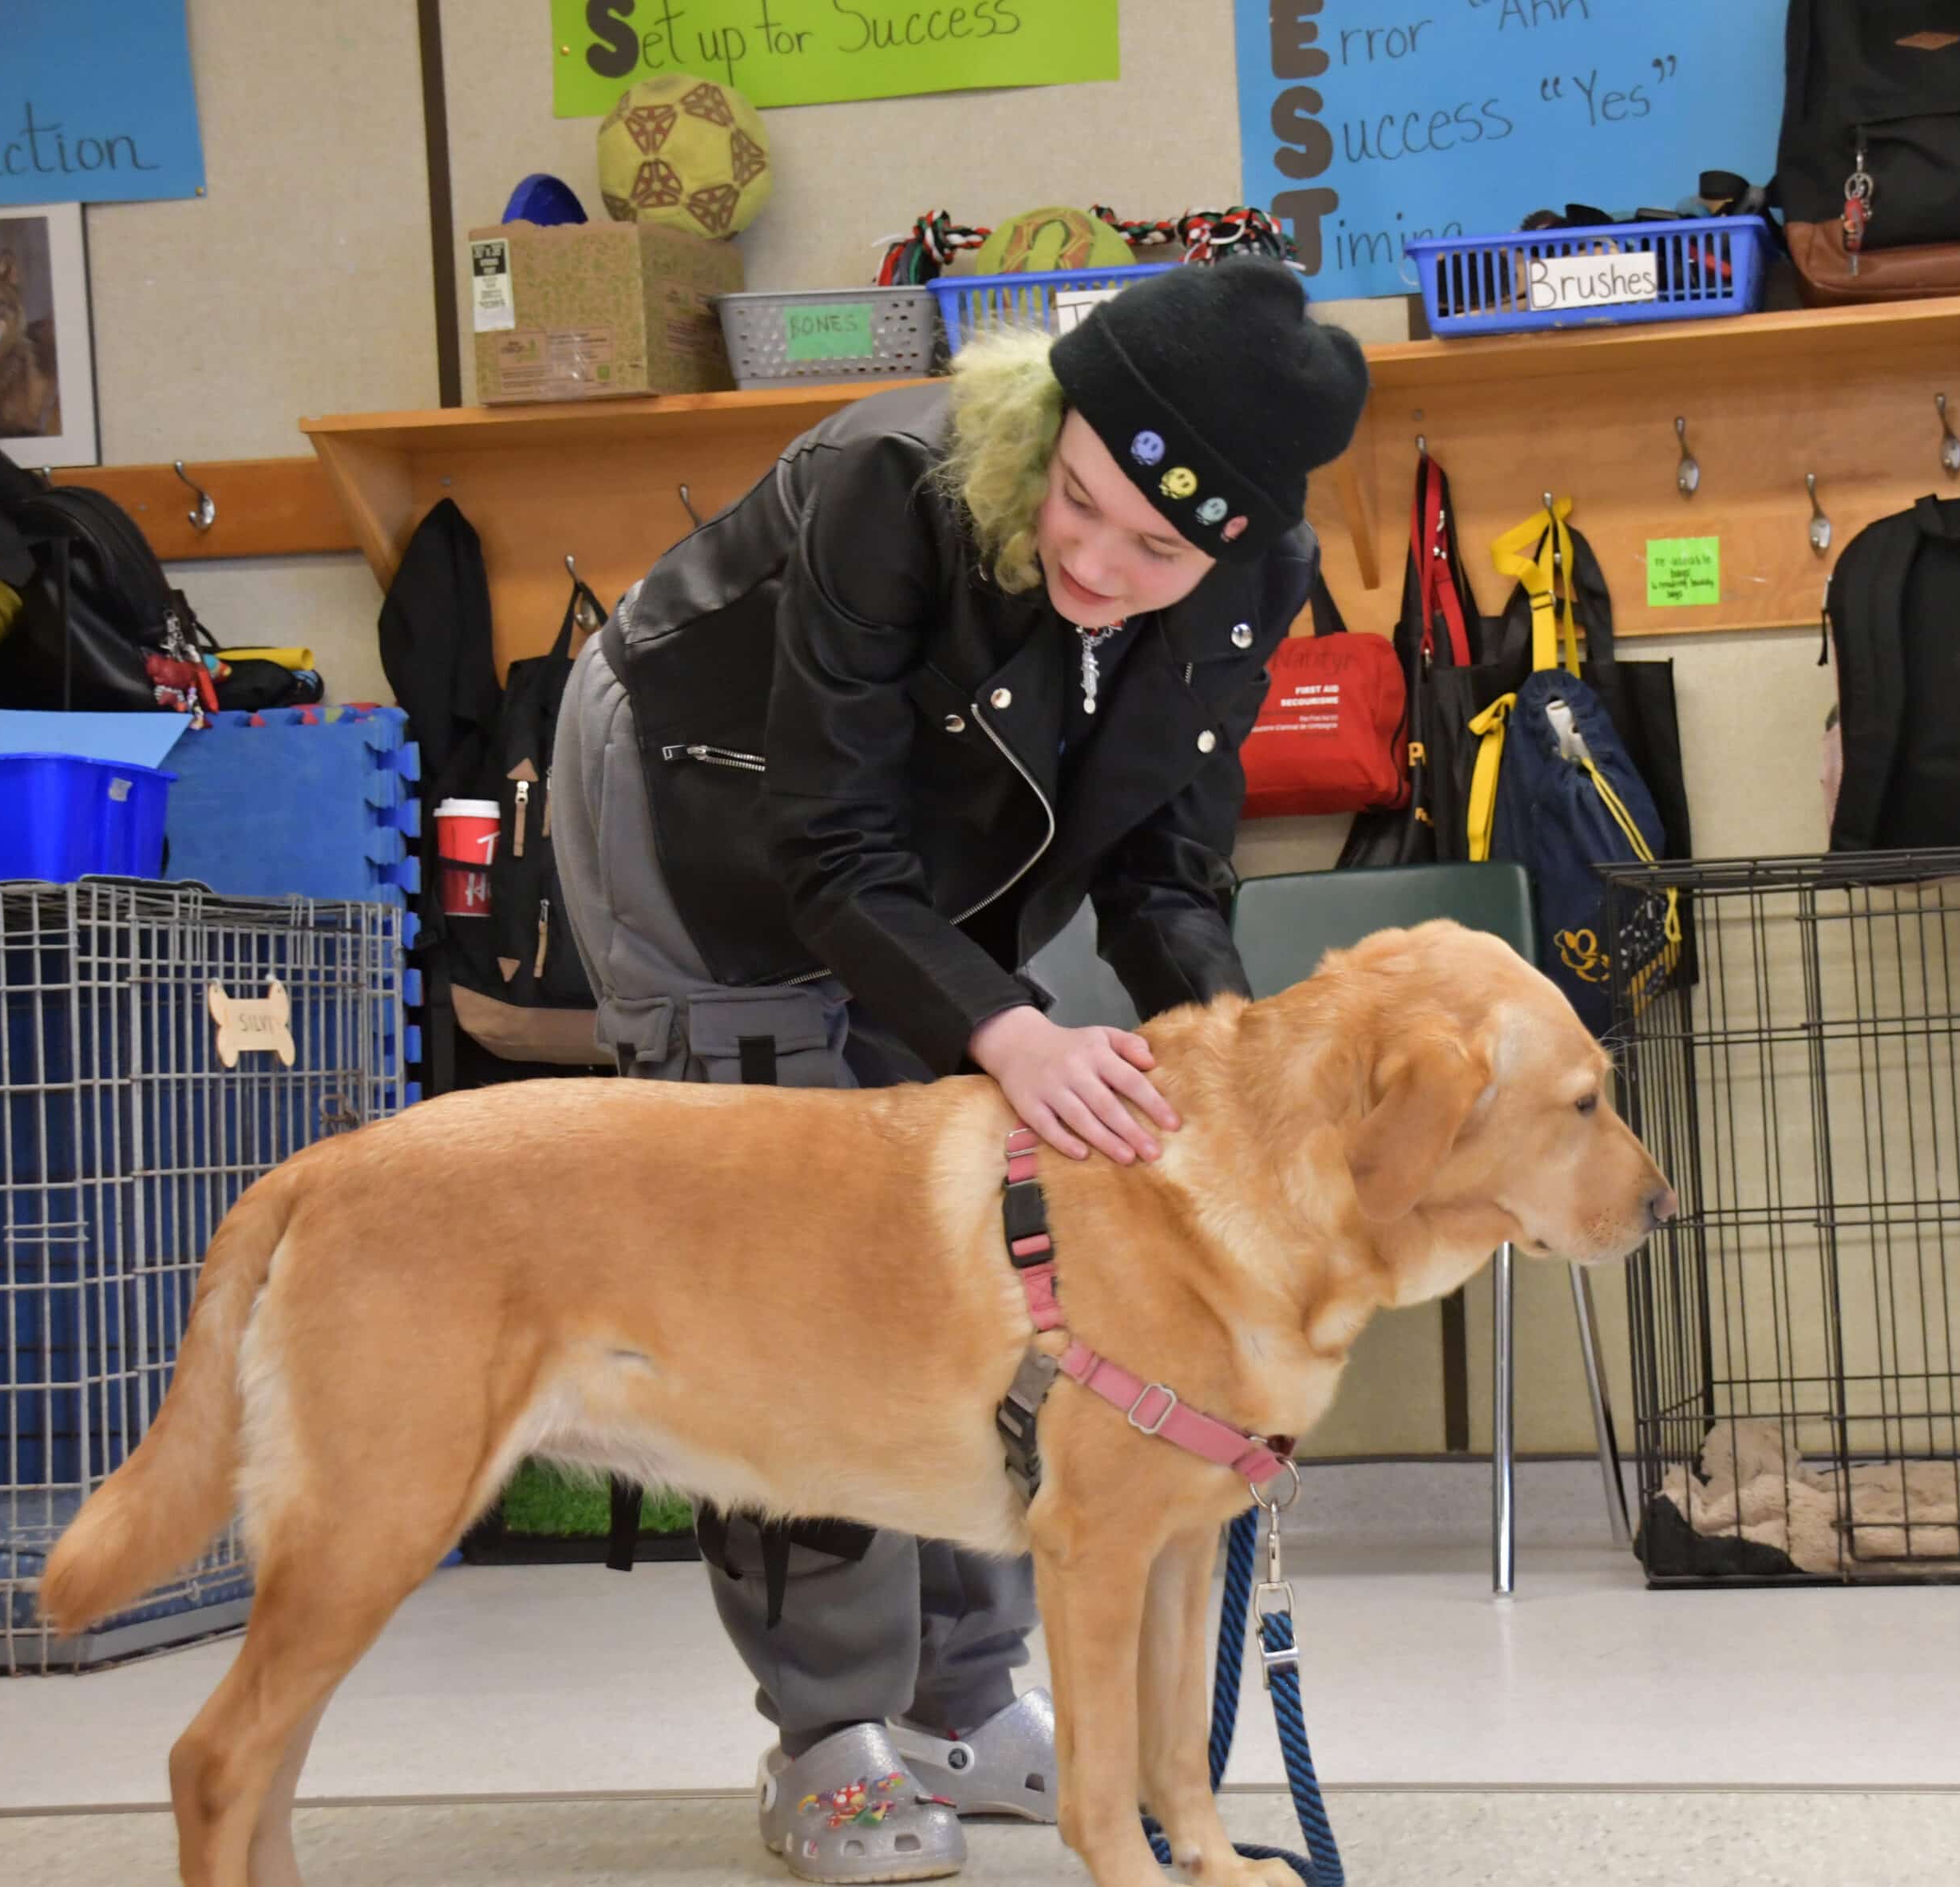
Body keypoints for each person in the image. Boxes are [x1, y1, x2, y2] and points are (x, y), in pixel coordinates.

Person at [550, 258, 1368, 1883]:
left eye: (1154, 548)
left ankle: (966, 1704)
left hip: (928, 852)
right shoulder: (890, 486)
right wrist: (1001, 1026)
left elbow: (1164, 868)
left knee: (1007, 1253)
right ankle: (834, 1736)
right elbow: (830, 847)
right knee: (794, 1283)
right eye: (1077, 503)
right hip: (704, 813)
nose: (1093, 558)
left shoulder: (1251, 569)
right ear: (1049, 429)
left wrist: (1223, 1074)